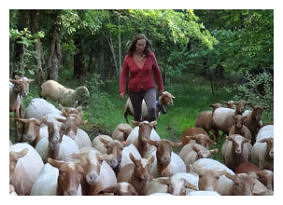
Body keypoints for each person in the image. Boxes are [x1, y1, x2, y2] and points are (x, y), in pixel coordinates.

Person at [119, 34, 164, 122]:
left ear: (146, 45)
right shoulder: (128, 57)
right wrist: (122, 90)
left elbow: (157, 72)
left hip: (149, 88)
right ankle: (138, 134)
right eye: (139, 45)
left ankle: (152, 130)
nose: (141, 47)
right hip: (134, 89)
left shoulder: (150, 56)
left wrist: (160, 87)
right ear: (135, 44)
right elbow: (124, 74)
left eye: (143, 45)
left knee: (152, 109)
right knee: (137, 115)